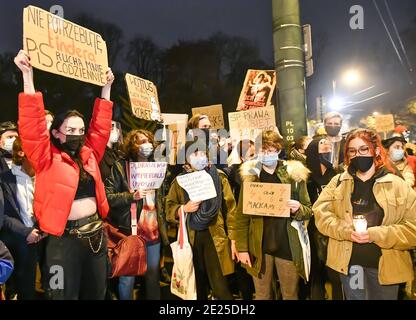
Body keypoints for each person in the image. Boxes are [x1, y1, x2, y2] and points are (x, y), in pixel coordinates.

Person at [14, 49, 115, 300]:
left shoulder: (89, 153)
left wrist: (106, 89)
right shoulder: (45, 157)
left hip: (95, 239)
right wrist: (28, 75)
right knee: (61, 294)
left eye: (80, 130)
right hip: (62, 242)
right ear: (57, 133)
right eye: (70, 130)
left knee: (95, 293)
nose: (77, 135)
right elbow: (32, 126)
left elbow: (101, 128)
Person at [313, 128, 416, 300]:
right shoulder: (338, 182)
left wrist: (376, 234)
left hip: (386, 268)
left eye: (363, 149)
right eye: (352, 151)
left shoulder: (397, 185)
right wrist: (346, 230)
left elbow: (412, 228)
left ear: (375, 150)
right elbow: (321, 215)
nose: (357, 155)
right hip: (350, 265)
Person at [235, 130, 312, 300]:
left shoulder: (294, 175)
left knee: (290, 294)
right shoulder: (251, 177)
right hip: (259, 246)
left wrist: (298, 208)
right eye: (263, 150)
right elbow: (241, 217)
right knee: (262, 295)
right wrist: (242, 248)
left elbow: (308, 209)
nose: (266, 154)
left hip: (287, 244)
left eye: (271, 150)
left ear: (278, 151)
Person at [166, 139, 237, 300]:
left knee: (221, 288)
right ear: (186, 158)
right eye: (194, 153)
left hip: (216, 237)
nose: (200, 157)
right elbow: (169, 207)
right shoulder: (180, 181)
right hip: (191, 238)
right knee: (196, 288)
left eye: (203, 153)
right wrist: (183, 209)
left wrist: (233, 238)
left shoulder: (218, 177)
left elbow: (231, 210)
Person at [105, 129, 169, 300]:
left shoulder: (157, 166)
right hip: (130, 230)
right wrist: (130, 196)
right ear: (132, 145)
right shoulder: (121, 166)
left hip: (153, 231)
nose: (146, 144)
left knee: (153, 277)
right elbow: (108, 196)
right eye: (141, 141)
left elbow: (162, 198)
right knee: (127, 278)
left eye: (148, 140)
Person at [304, 111, 345, 300]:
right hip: (313, 229)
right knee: (317, 270)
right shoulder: (304, 177)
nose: (326, 150)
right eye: (322, 146)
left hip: (334, 226)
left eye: (328, 147)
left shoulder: (336, 173)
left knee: (335, 270)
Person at [0, 137, 44, 299]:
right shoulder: (5, 179)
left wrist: (42, 230)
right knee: (25, 288)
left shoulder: (45, 176)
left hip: (47, 238)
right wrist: (26, 232)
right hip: (21, 240)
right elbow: (2, 215)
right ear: (21, 152)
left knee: (55, 283)